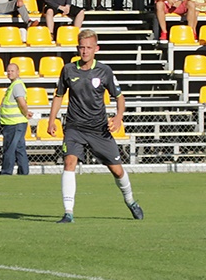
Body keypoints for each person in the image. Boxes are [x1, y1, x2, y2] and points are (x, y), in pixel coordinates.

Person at [46, 30, 142, 223]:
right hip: (74, 127)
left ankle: (130, 200)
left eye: (89, 47)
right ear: (77, 48)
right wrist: (52, 119)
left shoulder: (104, 71)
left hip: (99, 129)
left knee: (117, 170)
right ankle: (68, 212)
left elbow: (120, 97)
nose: (85, 51)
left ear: (96, 49)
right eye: (82, 47)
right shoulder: (68, 70)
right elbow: (59, 95)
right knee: (69, 162)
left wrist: (118, 117)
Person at [0, 62, 32, 176]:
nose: (9, 73)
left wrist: (26, 112)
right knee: (19, 148)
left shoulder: (16, 85)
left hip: (14, 123)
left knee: (10, 148)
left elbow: (21, 102)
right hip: (14, 123)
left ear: (18, 72)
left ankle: (6, 172)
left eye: (12, 71)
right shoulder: (14, 85)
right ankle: (24, 172)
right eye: (8, 71)